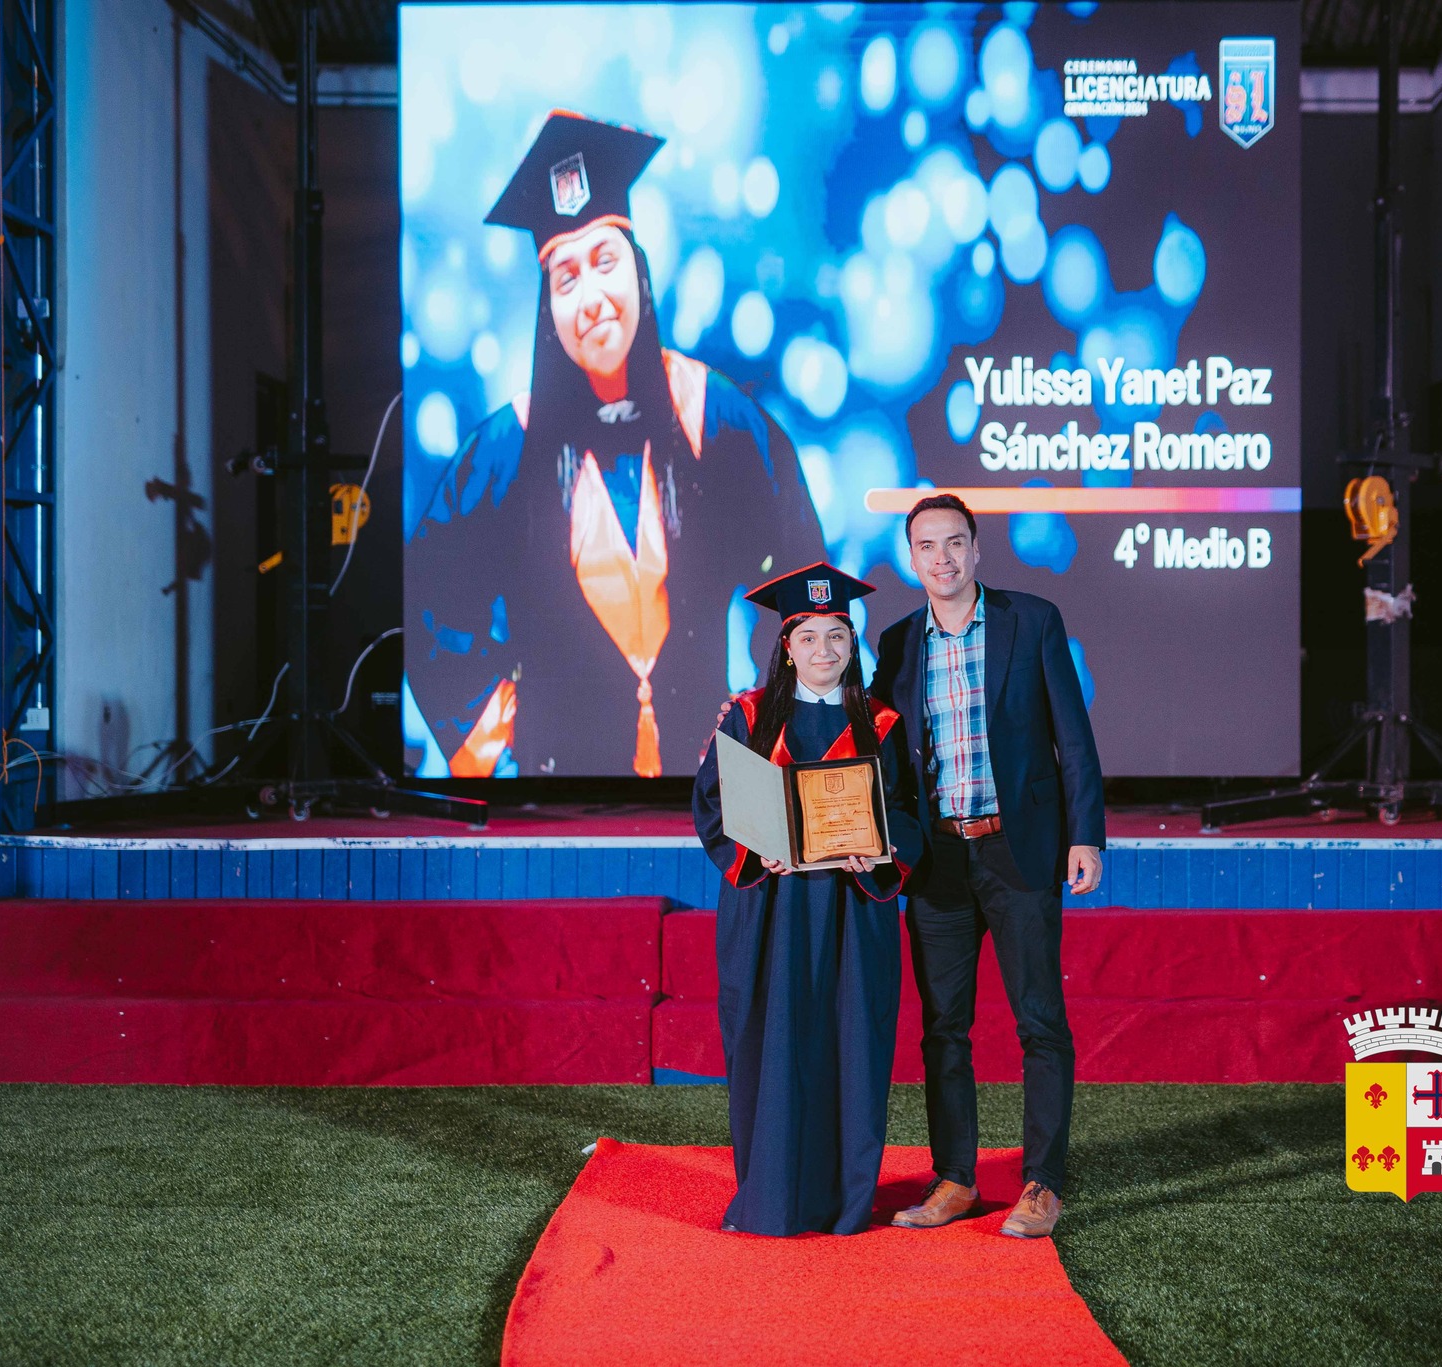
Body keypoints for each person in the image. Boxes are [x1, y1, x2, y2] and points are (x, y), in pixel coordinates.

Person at [405, 112, 825, 779]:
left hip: (708, 786)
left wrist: (765, 719)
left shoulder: (715, 418)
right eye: (566, 278)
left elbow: (803, 574)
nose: (592, 298)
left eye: (605, 262)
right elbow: (433, 601)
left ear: (639, 272)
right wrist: (509, 736)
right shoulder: (506, 450)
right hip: (561, 787)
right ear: (548, 307)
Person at [868, 494, 1105, 1240]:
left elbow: (1074, 736)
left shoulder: (1031, 620)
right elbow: (872, 749)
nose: (941, 558)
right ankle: (956, 1179)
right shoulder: (896, 645)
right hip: (937, 860)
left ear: (976, 549)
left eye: (954, 543)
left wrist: (1086, 835)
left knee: (1040, 1021)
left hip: (1019, 849)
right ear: (912, 559)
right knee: (944, 1028)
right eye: (926, 546)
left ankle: (1043, 1184)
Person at [692, 563, 924, 1235]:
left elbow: (907, 813)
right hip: (772, 911)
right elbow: (713, 803)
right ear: (787, 648)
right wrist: (754, 849)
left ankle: (845, 1202)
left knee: (849, 1047)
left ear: (853, 645)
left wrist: (881, 849)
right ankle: (771, 1198)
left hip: (852, 912)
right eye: (810, 638)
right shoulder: (749, 716)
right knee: (771, 1045)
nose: (825, 650)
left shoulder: (880, 723)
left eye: (837, 637)